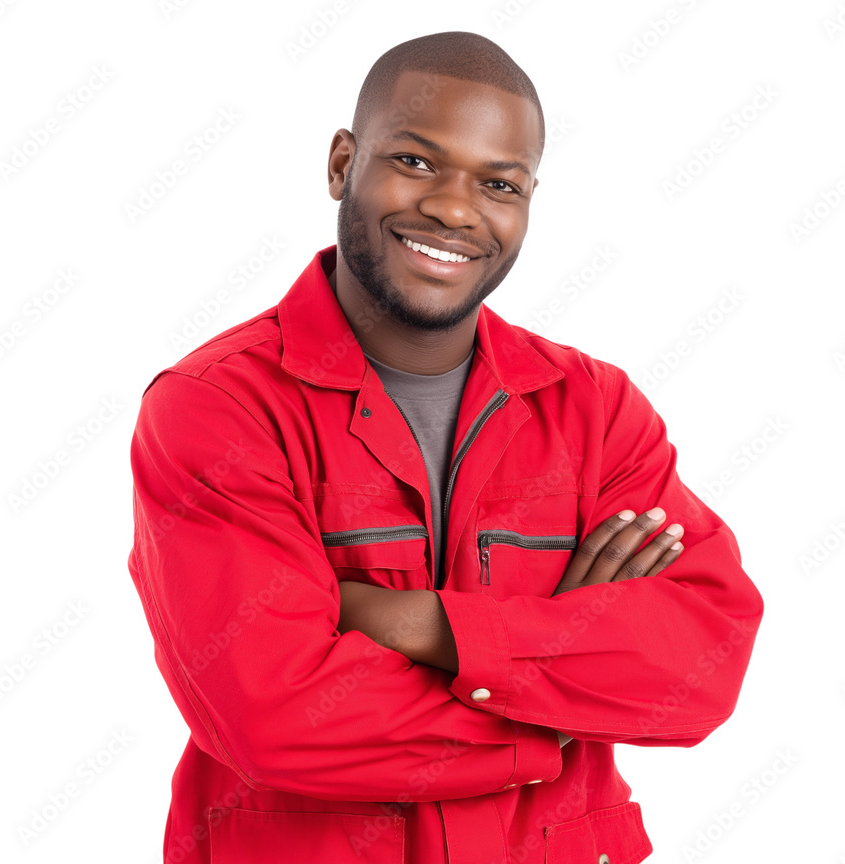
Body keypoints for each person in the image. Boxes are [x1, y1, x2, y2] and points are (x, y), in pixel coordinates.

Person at [128, 30, 764, 864]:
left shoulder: (594, 410)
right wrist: (549, 714)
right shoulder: (221, 408)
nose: (456, 210)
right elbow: (273, 715)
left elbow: (703, 663)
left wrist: (416, 624)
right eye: (417, 162)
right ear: (342, 164)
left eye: (499, 183)